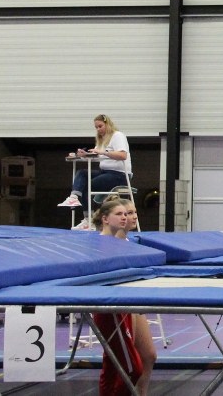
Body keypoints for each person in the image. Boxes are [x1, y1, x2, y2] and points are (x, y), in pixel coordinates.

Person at [93, 197, 155, 396]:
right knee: (124, 362)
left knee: (148, 356)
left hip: (130, 299)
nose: (130, 217)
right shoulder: (107, 242)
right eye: (125, 213)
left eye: (131, 213)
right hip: (115, 302)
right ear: (106, 218)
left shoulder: (128, 242)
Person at [59, 114, 133, 224]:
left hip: (120, 174)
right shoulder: (101, 140)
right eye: (96, 127)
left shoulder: (117, 135)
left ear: (107, 125)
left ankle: (90, 220)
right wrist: (83, 154)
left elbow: (123, 155)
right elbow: (97, 156)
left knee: (88, 185)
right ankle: (74, 197)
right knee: (82, 173)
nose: (98, 130)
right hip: (106, 172)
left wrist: (104, 152)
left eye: (100, 126)